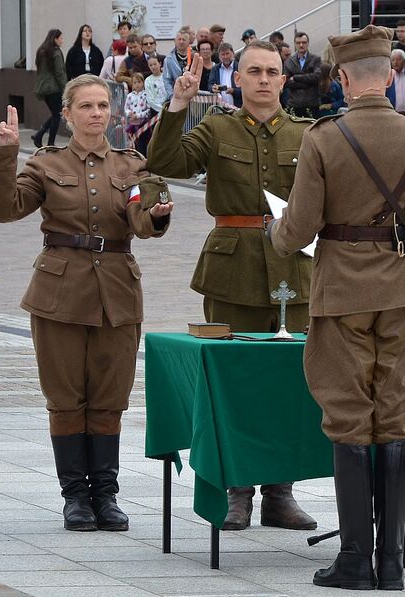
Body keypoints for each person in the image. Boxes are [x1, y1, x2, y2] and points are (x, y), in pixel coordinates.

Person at [267, 25, 405, 591]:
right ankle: (392, 562)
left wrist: (277, 234)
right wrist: (401, 252)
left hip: (340, 297)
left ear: (345, 79)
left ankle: (354, 561)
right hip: (398, 296)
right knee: (393, 416)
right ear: (394, 74)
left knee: (349, 419)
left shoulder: (324, 137)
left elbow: (298, 228)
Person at [0, 74, 172, 532]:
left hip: (117, 291)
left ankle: (106, 496)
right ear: (67, 114)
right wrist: (6, 155)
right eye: (86, 106)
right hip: (59, 292)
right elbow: (6, 209)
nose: (96, 114)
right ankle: (75, 499)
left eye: (103, 106)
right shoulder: (46, 163)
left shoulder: (132, 165)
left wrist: (155, 214)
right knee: (66, 398)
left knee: (110, 399)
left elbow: (142, 223)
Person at [146, 40, 318, 533]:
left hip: (294, 270)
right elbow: (168, 162)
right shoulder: (217, 126)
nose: (264, 79)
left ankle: (280, 493)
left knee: (290, 381)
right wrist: (178, 103)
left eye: (272, 71)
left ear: (285, 80)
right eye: (253, 72)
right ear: (236, 79)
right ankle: (236, 490)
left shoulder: (308, 135)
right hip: (233, 269)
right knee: (232, 380)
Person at [31, 29, 68, 148]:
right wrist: (66, 88)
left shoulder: (42, 51)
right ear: (55, 39)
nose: (62, 41)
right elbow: (59, 72)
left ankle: (39, 135)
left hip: (43, 87)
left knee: (55, 114)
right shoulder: (56, 52)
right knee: (57, 114)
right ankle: (50, 143)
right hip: (54, 88)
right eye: (61, 38)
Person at [283, 32, 322, 118]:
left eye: (304, 42)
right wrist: (308, 82)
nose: (301, 45)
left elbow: (317, 77)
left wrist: (296, 77)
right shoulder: (288, 62)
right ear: (295, 44)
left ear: (308, 43)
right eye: (298, 43)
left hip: (312, 104)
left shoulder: (316, 59)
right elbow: (286, 82)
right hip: (294, 104)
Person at [124, 73, 151, 155]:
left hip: (143, 124)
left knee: (143, 143)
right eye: (135, 83)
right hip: (132, 124)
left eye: (139, 82)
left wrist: (139, 115)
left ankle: (144, 157)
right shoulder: (129, 96)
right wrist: (129, 113)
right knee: (134, 142)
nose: (137, 85)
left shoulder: (146, 95)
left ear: (143, 83)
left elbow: (149, 110)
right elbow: (126, 108)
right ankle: (135, 157)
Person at [162, 30, 191, 100]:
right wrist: (171, 96)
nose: (181, 42)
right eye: (179, 39)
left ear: (189, 42)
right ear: (175, 41)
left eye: (184, 40)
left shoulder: (194, 56)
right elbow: (167, 80)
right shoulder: (168, 59)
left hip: (193, 97)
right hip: (176, 96)